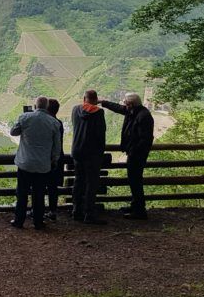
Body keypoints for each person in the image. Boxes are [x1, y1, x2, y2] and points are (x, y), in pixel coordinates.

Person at [9, 96, 62, 229]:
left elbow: (13, 132)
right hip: (43, 166)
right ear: (47, 106)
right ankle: (38, 222)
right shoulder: (54, 123)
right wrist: (53, 161)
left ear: (35, 105)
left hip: (25, 163)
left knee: (22, 194)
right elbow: (57, 147)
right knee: (39, 195)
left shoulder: (25, 117)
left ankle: (19, 221)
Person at [100, 92, 154, 219]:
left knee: (135, 181)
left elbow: (145, 139)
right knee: (134, 180)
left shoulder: (143, 116)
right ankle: (135, 206)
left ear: (131, 104)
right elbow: (118, 108)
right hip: (134, 154)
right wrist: (103, 102)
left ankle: (140, 211)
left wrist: (133, 151)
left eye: (125, 102)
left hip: (137, 156)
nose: (124, 104)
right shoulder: (134, 111)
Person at [70, 90, 107, 224]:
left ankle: (76, 210)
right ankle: (89, 213)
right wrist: (100, 152)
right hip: (92, 154)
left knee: (78, 181)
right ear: (96, 99)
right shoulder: (99, 113)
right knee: (91, 183)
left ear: (84, 98)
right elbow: (101, 134)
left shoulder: (75, 109)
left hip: (77, 151)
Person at [44, 99, 66, 221]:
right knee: (53, 188)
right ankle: (52, 211)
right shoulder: (59, 123)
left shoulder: (48, 123)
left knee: (41, 185)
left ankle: (38, 210)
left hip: (47, 158)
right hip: (58, 159)